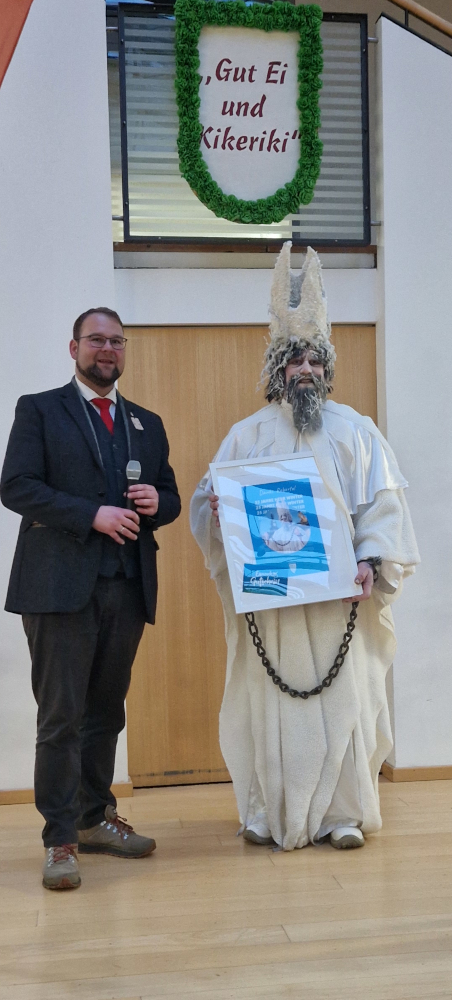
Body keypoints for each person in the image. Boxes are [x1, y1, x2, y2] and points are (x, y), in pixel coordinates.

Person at [190, 243, 420, 852]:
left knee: (344, 706)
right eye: (293, 358)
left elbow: (385, 508)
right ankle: (271, 812)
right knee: (273, 707)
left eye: (315, 357)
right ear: (276, 369)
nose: (305, 369)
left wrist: (372, 560)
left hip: (339, 601)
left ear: (327, 366)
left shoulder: (358, 432)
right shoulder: (247, 436)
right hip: (275, 607)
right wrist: (217, 513)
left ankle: (343, 814)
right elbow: (209, 504)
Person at [1, 306, 181, 889]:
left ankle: (96, 817)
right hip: (57, 589)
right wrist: (92, 515)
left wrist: (158, 502)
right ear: (73, 347)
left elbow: (171, 498)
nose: (107, 349)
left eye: (117, 341)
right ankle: (60, 841)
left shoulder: (146, 423)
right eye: (96, 340)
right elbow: (17, 488)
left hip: (126, 589)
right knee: (61, 718)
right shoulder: (39, 410)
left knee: (106, 713)